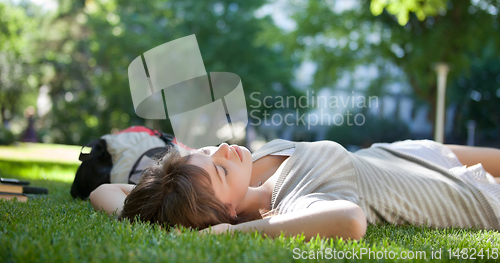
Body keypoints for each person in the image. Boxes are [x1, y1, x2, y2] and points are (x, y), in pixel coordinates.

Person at [89, 139, 500, 241]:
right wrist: (233, 235)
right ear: (227, 212)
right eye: (218, 167)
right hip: (469, 193)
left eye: (206, 151)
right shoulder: (291, 202)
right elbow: (350, 221)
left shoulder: (248, 170)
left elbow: (105, 191)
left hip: (409, 154)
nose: (223, 150)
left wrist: (149, 211)